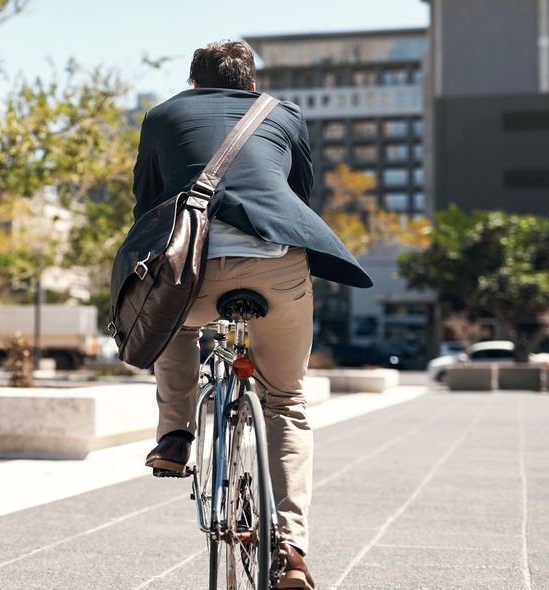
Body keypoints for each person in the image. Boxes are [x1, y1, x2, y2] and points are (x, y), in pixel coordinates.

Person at [133, 40, 373, 590]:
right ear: (252, 85)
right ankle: (290, 550)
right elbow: (299, 198)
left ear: (194, 83)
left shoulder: (162, 116)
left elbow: (147, 203)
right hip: (275, 267)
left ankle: (174, 437)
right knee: (285, 401)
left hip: (192, 268)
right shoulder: (284, 114)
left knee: (172, 320)